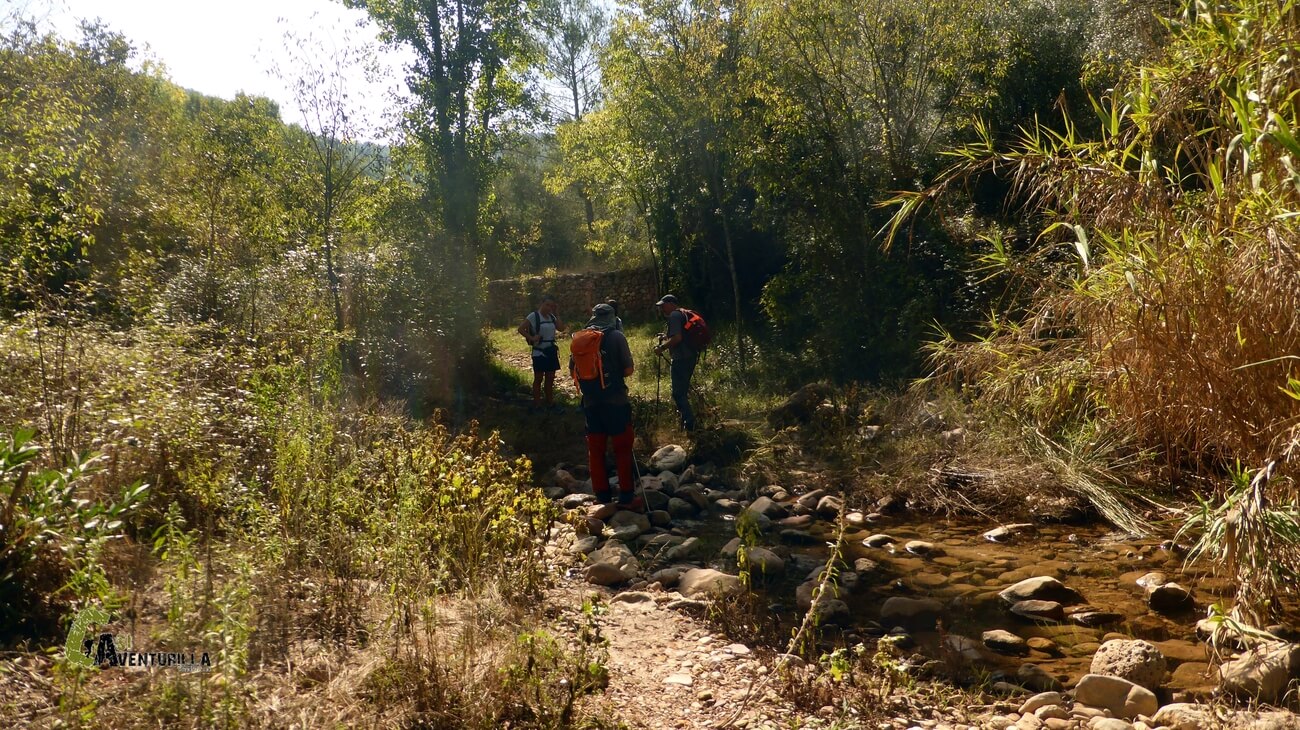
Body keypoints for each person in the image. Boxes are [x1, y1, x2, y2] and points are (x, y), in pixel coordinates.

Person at [571, 303, 640, 508]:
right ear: (612, 317)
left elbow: (572, 372)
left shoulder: (579, 339)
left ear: (592, 316)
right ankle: (627, 495)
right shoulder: (617, 336)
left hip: (591, 403)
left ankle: (602, 496)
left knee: (596, 450)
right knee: (622, 448)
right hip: (616, 401)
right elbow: (628, 370)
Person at [653, 294, 698, 432]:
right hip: (690, 356)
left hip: (681, 358)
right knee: (682, 391)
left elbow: (677, 338)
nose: (662, 309)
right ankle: (687, 421)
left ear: (672, 304)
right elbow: (679, 335)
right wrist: (666, 337)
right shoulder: (681, 314)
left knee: (678, 393)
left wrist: (662, 348)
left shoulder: (673, 316)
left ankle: (690, 424)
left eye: (663, 305)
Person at [518, 294, 565, 412]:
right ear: (542, 304)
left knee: (550, 378)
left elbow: (561, 328)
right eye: (547, 305)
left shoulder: (552, 317)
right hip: (539, 352)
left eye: (551, 306)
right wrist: (532, 338)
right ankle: (537, 404)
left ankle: (550, 402)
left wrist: (557, 313)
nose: (549, 308)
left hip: (550, 351)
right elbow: (521, 329)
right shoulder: (534, 316)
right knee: (538, 378)